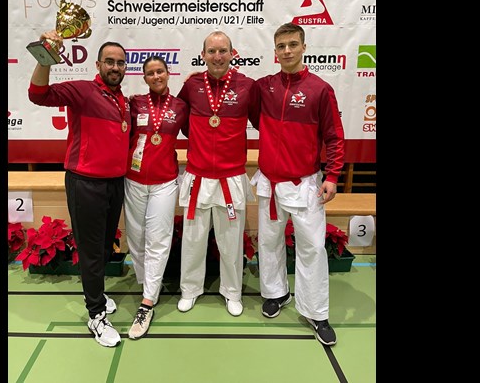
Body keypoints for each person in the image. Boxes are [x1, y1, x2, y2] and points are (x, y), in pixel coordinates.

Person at [27, 30, 129, 348]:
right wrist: (46, 55)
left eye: (121, 63)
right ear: (98, 64)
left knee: (101, 249)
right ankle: (96, 315)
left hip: (115, 183)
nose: (115, 67)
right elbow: (37, 94)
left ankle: (96, 294)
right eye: (109, 61)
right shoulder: (82, 91)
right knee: (90, 252)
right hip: (85, 183)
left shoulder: (123, 100)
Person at [250, 22, 345, 346]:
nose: (287, 51)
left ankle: (317, 312)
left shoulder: (320, 89)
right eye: (281, 46)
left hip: (305, 183)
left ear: (304, 47)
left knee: (313, 249)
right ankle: (276, 294)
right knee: (269, 243)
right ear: (274, 51)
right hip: (270, 184)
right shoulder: (263, 87)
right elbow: (248, 115)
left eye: (292, 44)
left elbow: (334, 136)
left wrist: (332, 176)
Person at [175, 30, 260, 317]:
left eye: (223, 51)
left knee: (231, 242)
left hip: (231, 177)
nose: (217, 56)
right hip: (198, 175)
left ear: (233, 53)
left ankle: (232, 292)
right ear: (203, 55)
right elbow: (183, 123)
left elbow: (263, 122)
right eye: (211, 51)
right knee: (193, 240)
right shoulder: (191, 85)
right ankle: (190, 289)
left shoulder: (247, 86)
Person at [123, 56, 189, 340]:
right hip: (133, 179)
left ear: (168, 73)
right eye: (150, 73)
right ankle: (149, 283)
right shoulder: (133, 103)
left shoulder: (181, 107)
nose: (156, 76)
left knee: (158, 239)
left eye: (160, 71)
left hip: (165, 182)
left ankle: (148, 301)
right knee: (136, 239)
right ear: (145, 77)